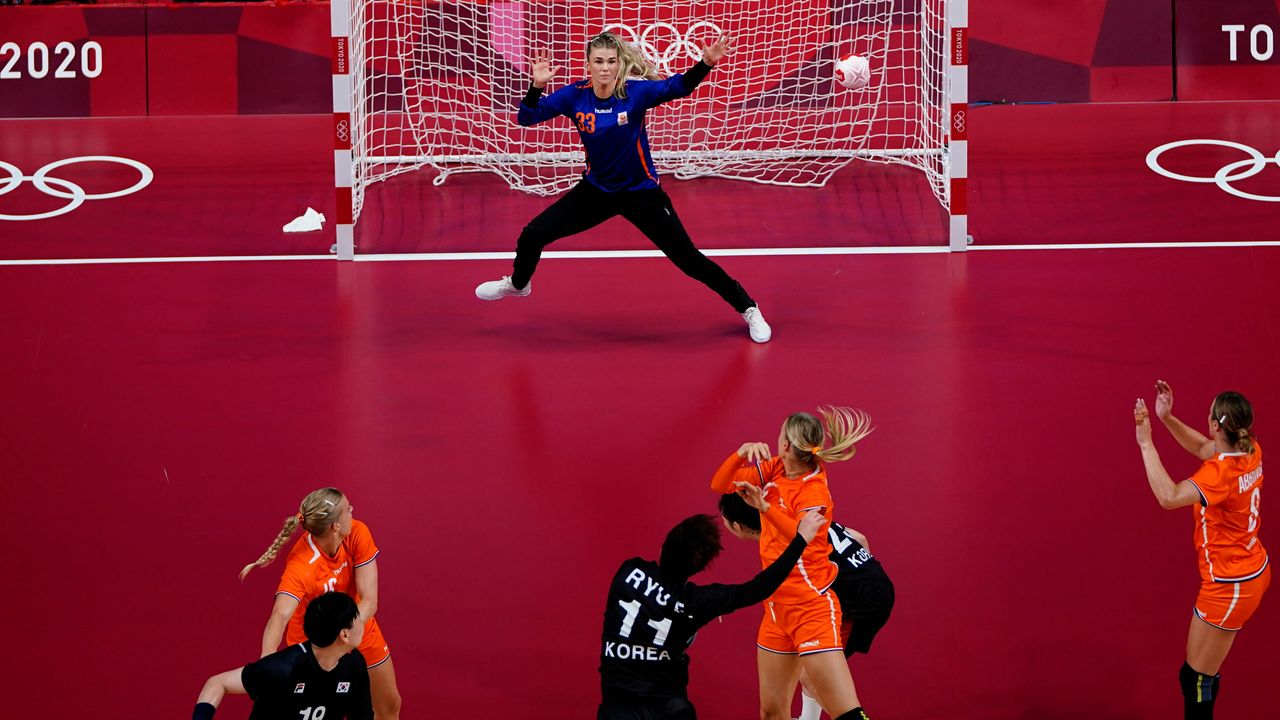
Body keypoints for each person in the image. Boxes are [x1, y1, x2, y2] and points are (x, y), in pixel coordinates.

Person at [474, 31, 773, 344]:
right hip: (596, 191)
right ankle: (519, 284)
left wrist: (706, 64)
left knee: (688, 259)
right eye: (599, 61)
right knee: (533, 234)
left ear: (620, 65)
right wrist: (537, 86)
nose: (605, 68)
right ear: (588, 65)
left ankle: (749, 308)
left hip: (641, 194)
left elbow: (679, 86)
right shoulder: (575, 95)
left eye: (611, 62)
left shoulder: (636, 93)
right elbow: (526, 117)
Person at [710, 406, 875, 720]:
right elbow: (720, 484)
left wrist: (764, 507)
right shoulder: (775, 469)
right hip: (776, 609)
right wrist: (739, 454)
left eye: (780, 434)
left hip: (810, 607)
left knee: (848, 714)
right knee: (772, 713)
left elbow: (805, 538)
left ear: (786, 444)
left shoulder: (814, 491)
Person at [599, 511, 826, 720]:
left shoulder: (628, 571)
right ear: (699, 568)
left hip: (615, 707)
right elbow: (759, 588)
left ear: (664, 546)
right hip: (668, 708)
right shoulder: (697, 601)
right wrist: (801, 540)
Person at [1134, 381, 1268, 720]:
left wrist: (1146, 443)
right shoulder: (1250, 448)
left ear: (1214, 422)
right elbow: (1205, 447)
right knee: (1199, 675)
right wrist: (1166, 417)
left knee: (1196, 678)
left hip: (1230, 585)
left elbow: (1169, 496)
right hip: (1248, 571)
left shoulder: (1219, 475)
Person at [719, 492, 894, 720]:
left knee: (813, 677)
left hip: (865, 603)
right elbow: (858, 538)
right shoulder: (795, 518)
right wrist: (861, 572)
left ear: (736, 526)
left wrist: (723, 601)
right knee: (808, 673)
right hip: (874, 584)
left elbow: (768, 588)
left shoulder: (784, 548)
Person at [239, 488, 402, 720]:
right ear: (335, 526)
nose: (352, 511)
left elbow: (369, 600)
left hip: (357, 625)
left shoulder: (357, 532)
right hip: (318, 645)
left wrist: (347, 634)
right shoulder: (302, 565)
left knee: (389, 705)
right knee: (319, 714)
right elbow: (280, 616)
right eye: (348, 509)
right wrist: (268, 666)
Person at [192, 590, 373, 720]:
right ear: (344, 634)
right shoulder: (283, 668)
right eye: (357, 618)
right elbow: (217, 683)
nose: (362, 623)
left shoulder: (354, 665)